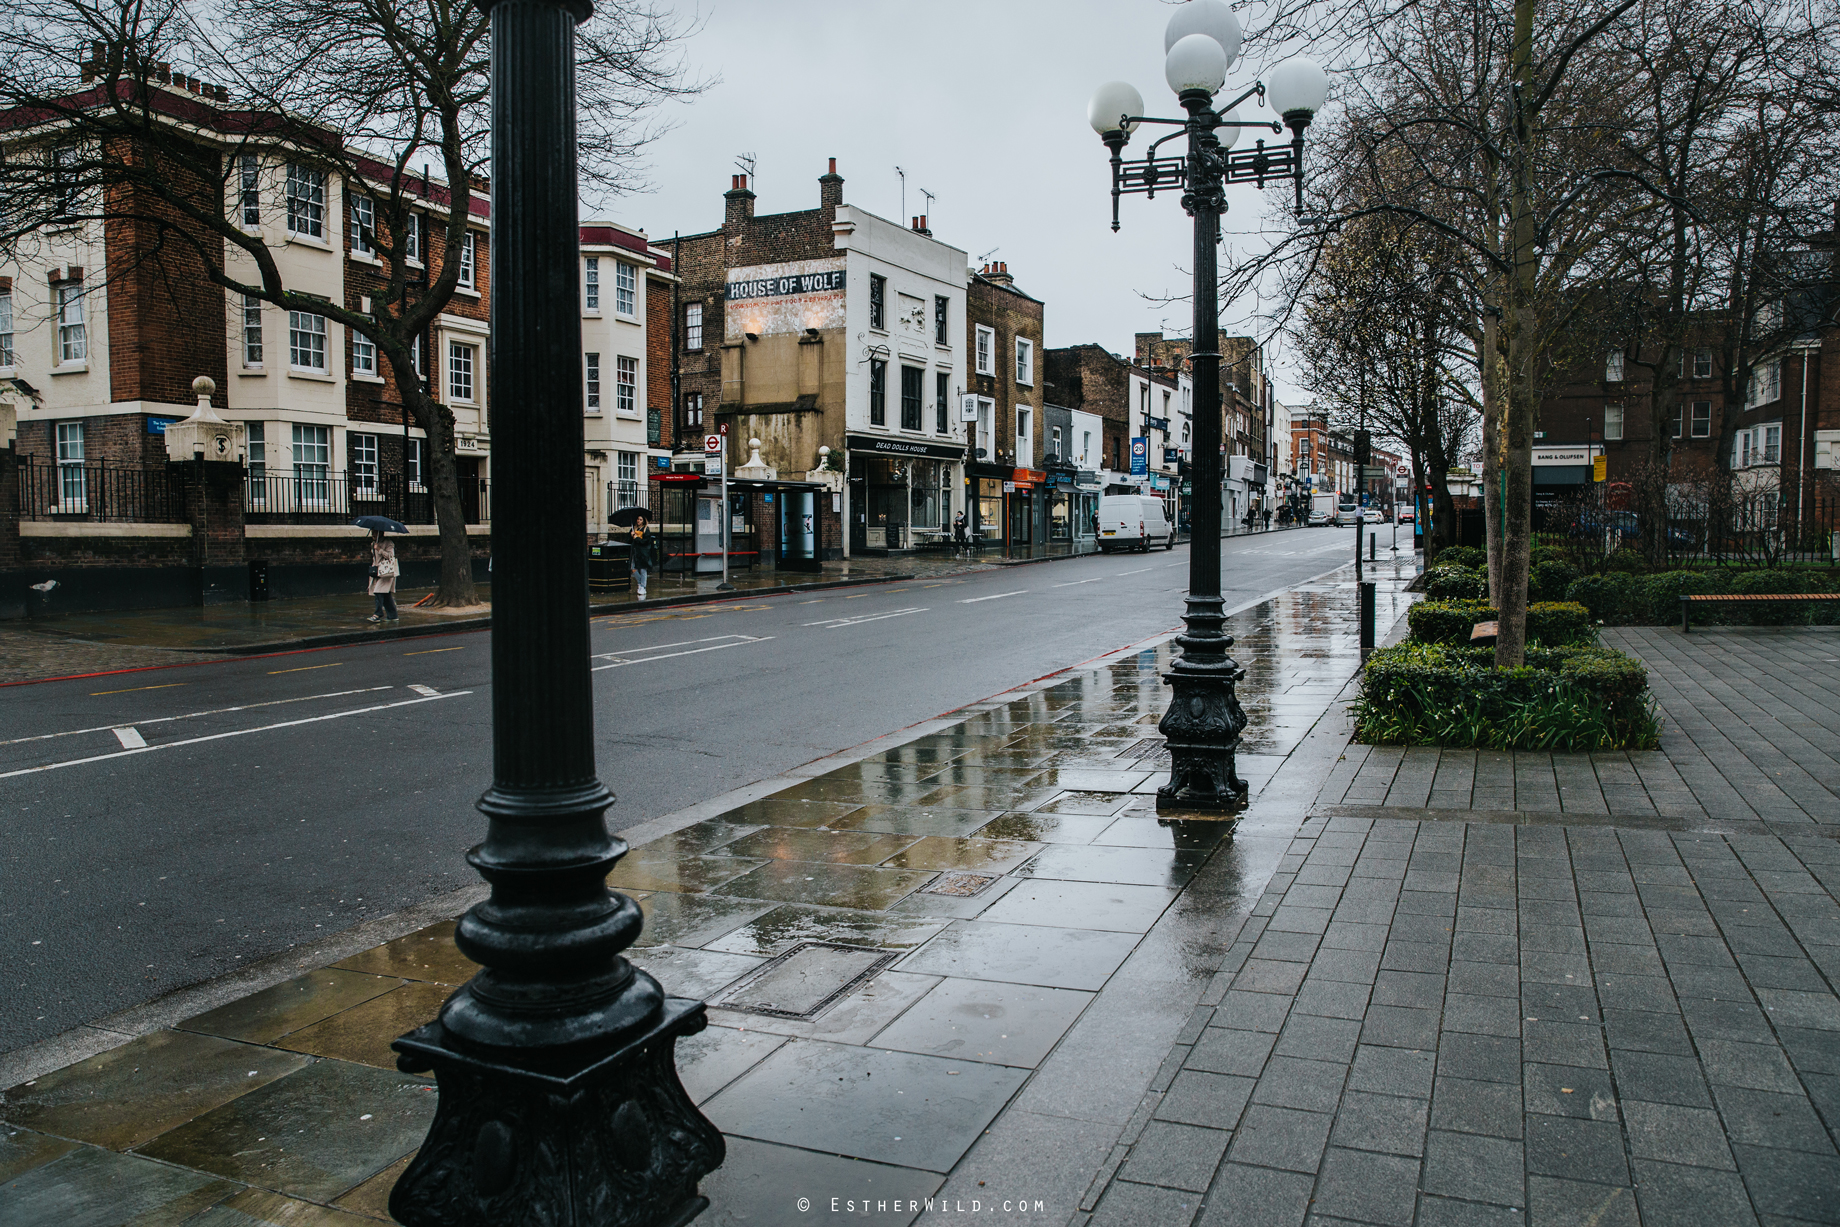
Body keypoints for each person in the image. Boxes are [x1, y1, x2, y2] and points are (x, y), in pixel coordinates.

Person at [367, 530, 398, 622]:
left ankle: (378, 614)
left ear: (381, 533)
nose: (373, 534)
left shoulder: (388, 543)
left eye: (375, 532)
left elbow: (390, 556)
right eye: (372, 532)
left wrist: (379, 549)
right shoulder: (373, 544)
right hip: (378, 571)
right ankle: (393, 615)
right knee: (386, 593)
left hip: (386, 572)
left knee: (378, 591)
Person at [629, 514, 657, 599]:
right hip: (635, 552)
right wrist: (631, 536)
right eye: (638, 519)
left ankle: (643, 587)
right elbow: (630, 541)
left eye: (640, 519)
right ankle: (640, 583)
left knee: (643, 569)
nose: (638, 521)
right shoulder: (634, 529)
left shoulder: (646, 530)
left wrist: (636, 537)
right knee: (633, 568)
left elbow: (645, 541)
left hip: (643, 552)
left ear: (644, 521)